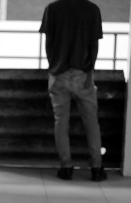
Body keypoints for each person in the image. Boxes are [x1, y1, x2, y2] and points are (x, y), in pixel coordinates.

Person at [39, 0, 107, 181]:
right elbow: (94, 46)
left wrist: (54, 67)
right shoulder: (93, 10)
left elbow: (48, 43)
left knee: (61, 122)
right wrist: (89, 73)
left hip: (58, 74)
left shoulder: (52, 9)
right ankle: (97, 168)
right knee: (91, 122)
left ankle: (66, 168)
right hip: (83, 74)